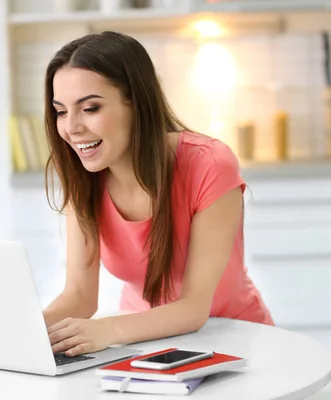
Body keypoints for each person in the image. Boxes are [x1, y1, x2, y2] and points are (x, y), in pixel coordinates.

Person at [40, 31, 274, 358]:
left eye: (89, 108)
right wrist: (23, 332)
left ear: (136, 103)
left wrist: (106, 330)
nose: (71, 127)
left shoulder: (208, 163)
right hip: (145, 343)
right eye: (61, 111)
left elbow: (192, 308)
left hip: (234, 340)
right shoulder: (84, 177)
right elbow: (79, 295)